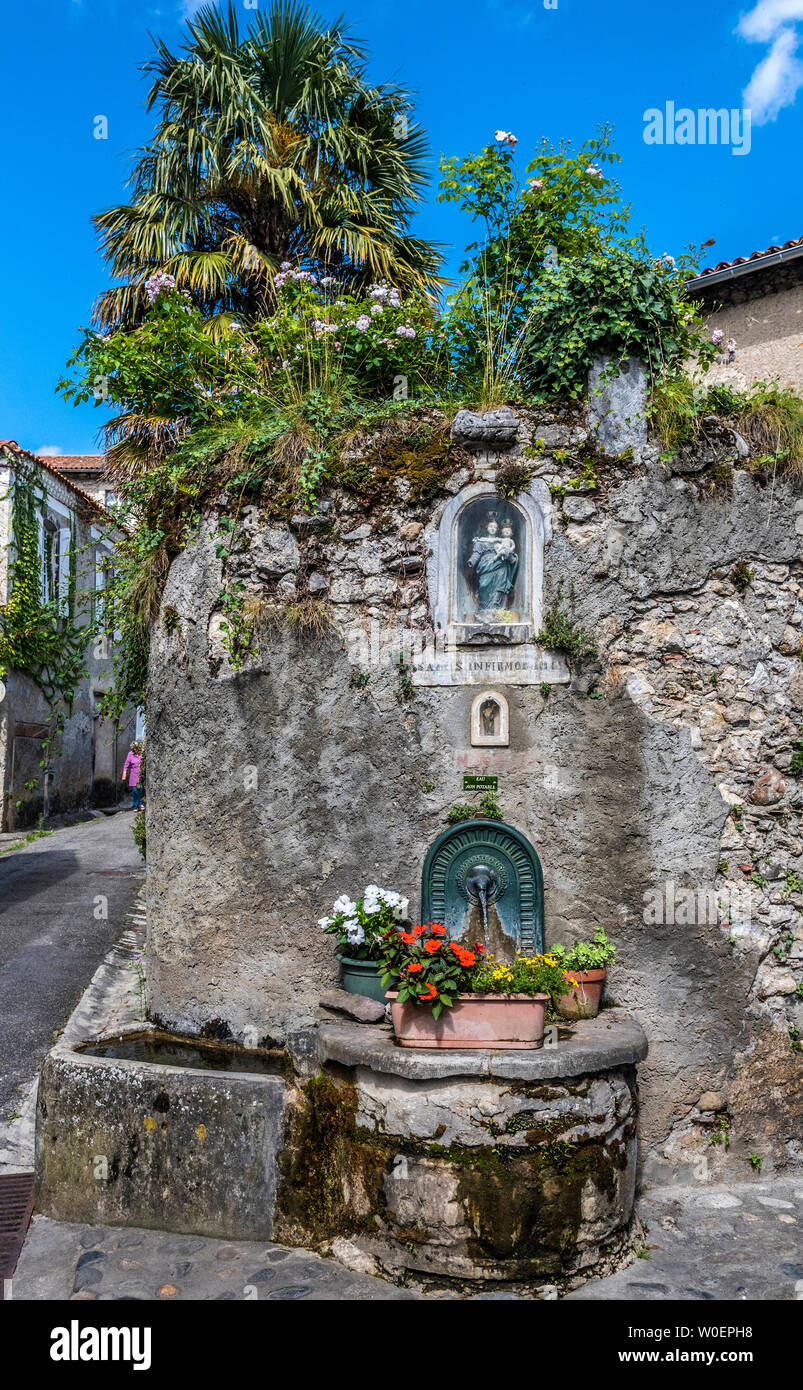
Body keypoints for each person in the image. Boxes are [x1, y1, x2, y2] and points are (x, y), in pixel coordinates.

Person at [122, 740, 144, 810]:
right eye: (132, 748)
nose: (133, 749)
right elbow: (126, 764)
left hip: (142, 774)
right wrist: (124, 773)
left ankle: (142, 804)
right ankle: (136, 805)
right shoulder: (130, 754)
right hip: (134, 775)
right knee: (135, 791)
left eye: (134, 748)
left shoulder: (143, 752)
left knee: (142, 789)